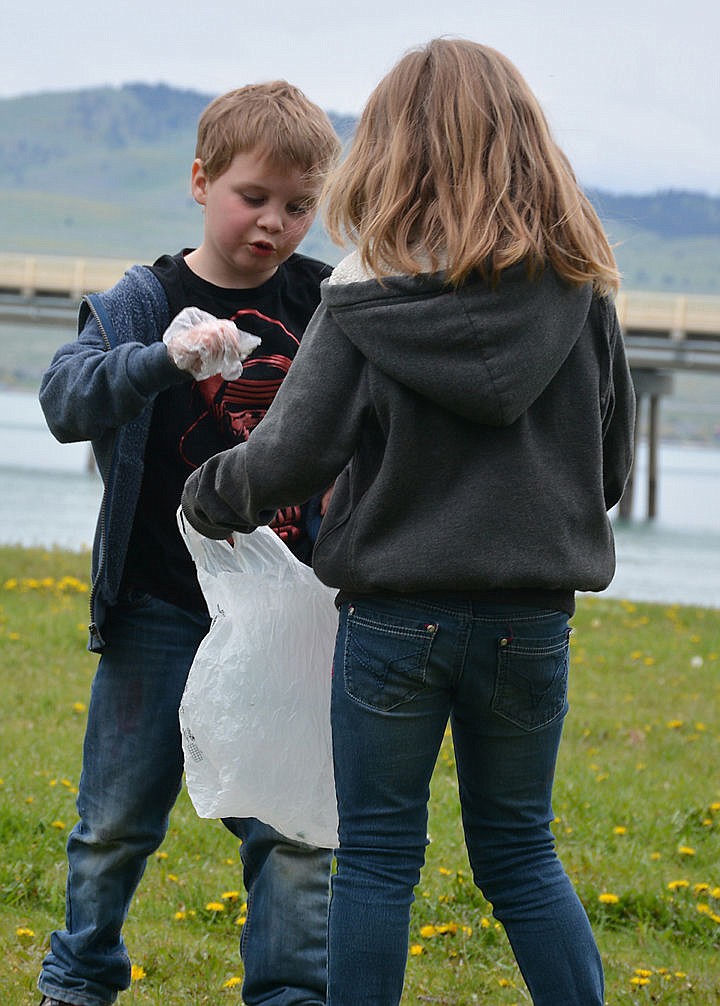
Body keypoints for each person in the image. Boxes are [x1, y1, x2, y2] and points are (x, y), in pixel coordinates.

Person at [180, 39, 637, 1006]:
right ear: (526, 147)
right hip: (531, 618)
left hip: (394, 621)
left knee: (381, 861)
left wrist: (209, 495)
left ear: (392, 151)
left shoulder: (362, 294)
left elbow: (291, 457)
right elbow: (611, 469)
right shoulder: (582, 291)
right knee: (520, 854)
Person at [37, 81, 341, 1006]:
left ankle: (289, 995)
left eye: (298, 206)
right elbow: (63, 401)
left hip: (290, 614)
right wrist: (164, 359)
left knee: (293, 830)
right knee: (116, 821)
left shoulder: (327, 302)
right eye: (253, 197)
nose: (274, 224)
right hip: (161, 606)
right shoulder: (143, 298)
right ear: (200, 181)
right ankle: (80, 982)